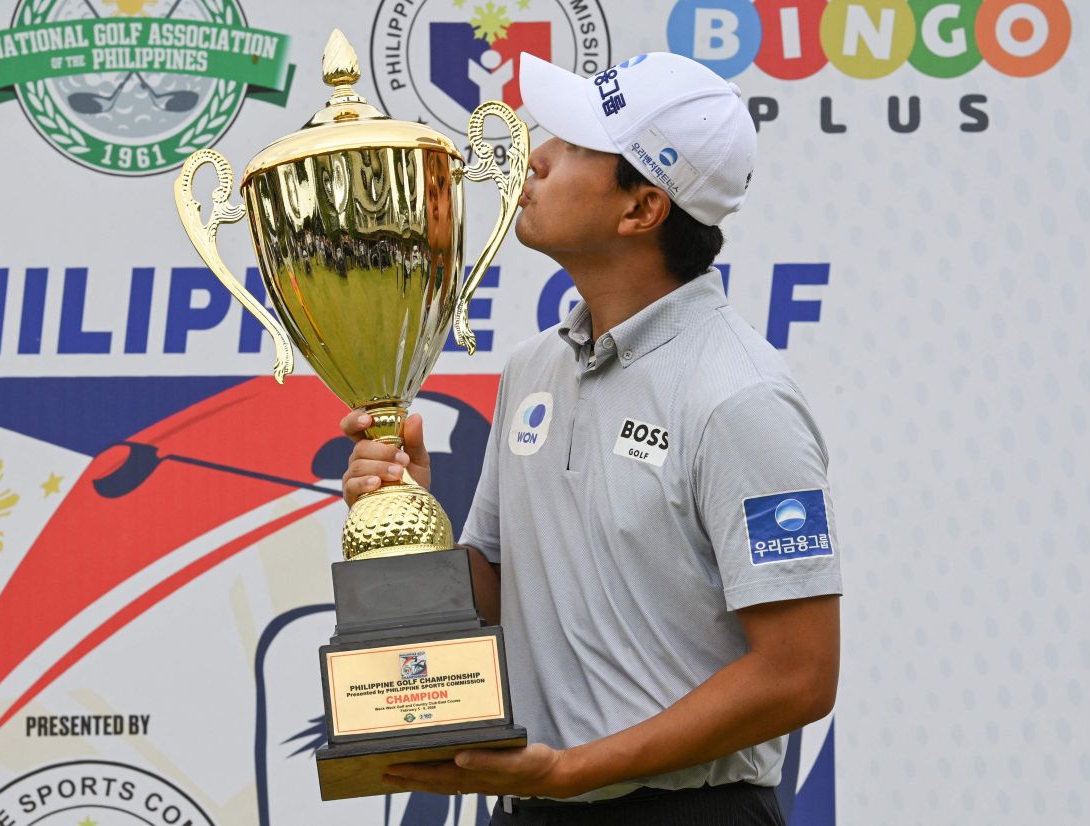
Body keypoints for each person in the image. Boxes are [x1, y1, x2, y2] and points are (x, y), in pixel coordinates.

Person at [339, 51, 842, 825]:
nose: (535, 157)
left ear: (641, 209)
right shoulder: (532, 368)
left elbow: (799, 677)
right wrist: (407, 517)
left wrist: (574, 771)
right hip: (532, 804)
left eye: (573, 145)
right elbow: (491, 595)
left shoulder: (742, 396)